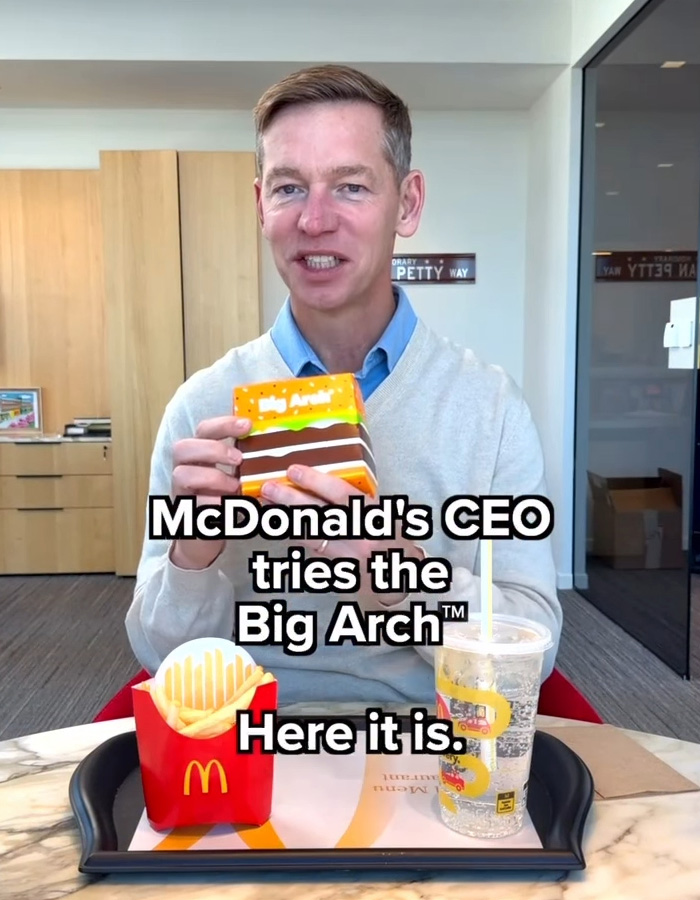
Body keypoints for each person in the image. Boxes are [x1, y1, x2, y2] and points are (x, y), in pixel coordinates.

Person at [125, 64, 561, 703]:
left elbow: (535, 649)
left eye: (351, 187)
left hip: (428, 743)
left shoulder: (490, 409)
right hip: (250, 744)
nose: (314, 220)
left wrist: (392, 573)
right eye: (289, 188)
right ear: (261, 206)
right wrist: (194, 556)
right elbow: (158, 656)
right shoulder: (204, 405)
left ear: (406, 204)